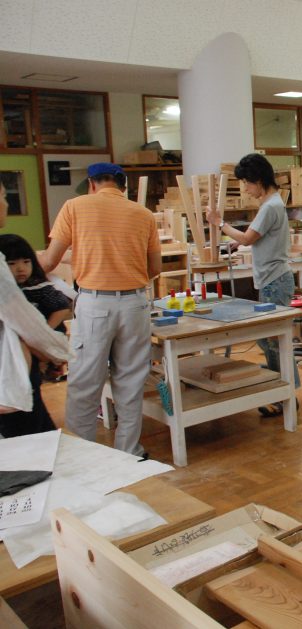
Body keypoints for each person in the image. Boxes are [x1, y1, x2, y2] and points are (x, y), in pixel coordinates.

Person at [41, 163, 160, 456]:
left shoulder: (74, 207)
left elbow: (49, 262)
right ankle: (128, 452)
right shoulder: (144, 214)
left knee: (85, 382)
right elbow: (154, 268)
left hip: (95, 304)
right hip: (135, 303)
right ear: (123, 186)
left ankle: (84, 456)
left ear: (92, 183)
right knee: (130, 382)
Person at [206, 153, 299, 418]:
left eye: (246, 183)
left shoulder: (270, 206)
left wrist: (220, 223)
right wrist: (239, 241)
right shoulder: (272, 203)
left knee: (273, 339)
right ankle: (283, 390)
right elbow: (253, 238)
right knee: (271, 339)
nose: (245, 189)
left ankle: (285, 393)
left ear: (258, 180)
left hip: (274, 279)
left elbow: (248, 238)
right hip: (273, 278)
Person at [0, 182, 71, 436]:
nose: (7, 204)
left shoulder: (39, 287)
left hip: (20, 366)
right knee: (30, 439)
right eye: (4, 196)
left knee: (38, 431)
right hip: (10, 370)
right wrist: (55, 352)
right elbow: (24, 324)